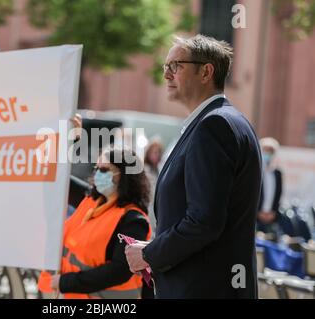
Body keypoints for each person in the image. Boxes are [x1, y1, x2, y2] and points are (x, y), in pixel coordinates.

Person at [125, 34, 262, 298]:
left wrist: (149, 254)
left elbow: (203, 222)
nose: (167, 75)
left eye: (175, 66)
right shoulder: (224, 121)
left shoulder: (214, 125)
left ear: (206, 72)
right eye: (166, 67)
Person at [38, 147, 151, 299]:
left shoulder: (133, 221)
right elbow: (59, 179)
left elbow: (119, 271)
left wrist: (65, 282)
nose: (98, 174)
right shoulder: (92, 201)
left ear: (124, 175)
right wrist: (72, 140)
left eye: (104, 169)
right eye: (96, 168)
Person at [143, 137, 164, 235]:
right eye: (154, 152)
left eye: (158, 152)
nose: (156, 155)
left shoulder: (160, 170)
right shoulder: (144, 169)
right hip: (147, 206)